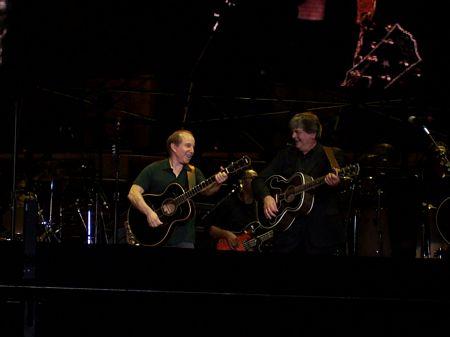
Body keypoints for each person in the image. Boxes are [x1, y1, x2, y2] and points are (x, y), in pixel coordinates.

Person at [252, 112, 346, 255]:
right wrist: (266, 197)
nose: (293, 136)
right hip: (287, 236)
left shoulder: (331, 154)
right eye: (293, 132)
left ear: (312, 133)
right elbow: (258, 180)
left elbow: (341, 187)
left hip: (320, 236)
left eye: (298, 132)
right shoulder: (285, 155)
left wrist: (336, 183)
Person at [127, 129, 228, 248]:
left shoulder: (193, 172)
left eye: (193, 147)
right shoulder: (154, 169)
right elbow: (133, 193)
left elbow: (207, 191)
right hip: (155, 235)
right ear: (174, 147)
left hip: (184, 238)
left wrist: (218, 183)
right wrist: (149, 212)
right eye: (188, 146)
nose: (192, 151)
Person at [208, 169, 266, 252]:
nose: (256, 182)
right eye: (252, 178)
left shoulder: (261, 205)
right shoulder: (229, 202)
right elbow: (210, 229)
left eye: (257, 179)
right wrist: (226, 234)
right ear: (242, 181)